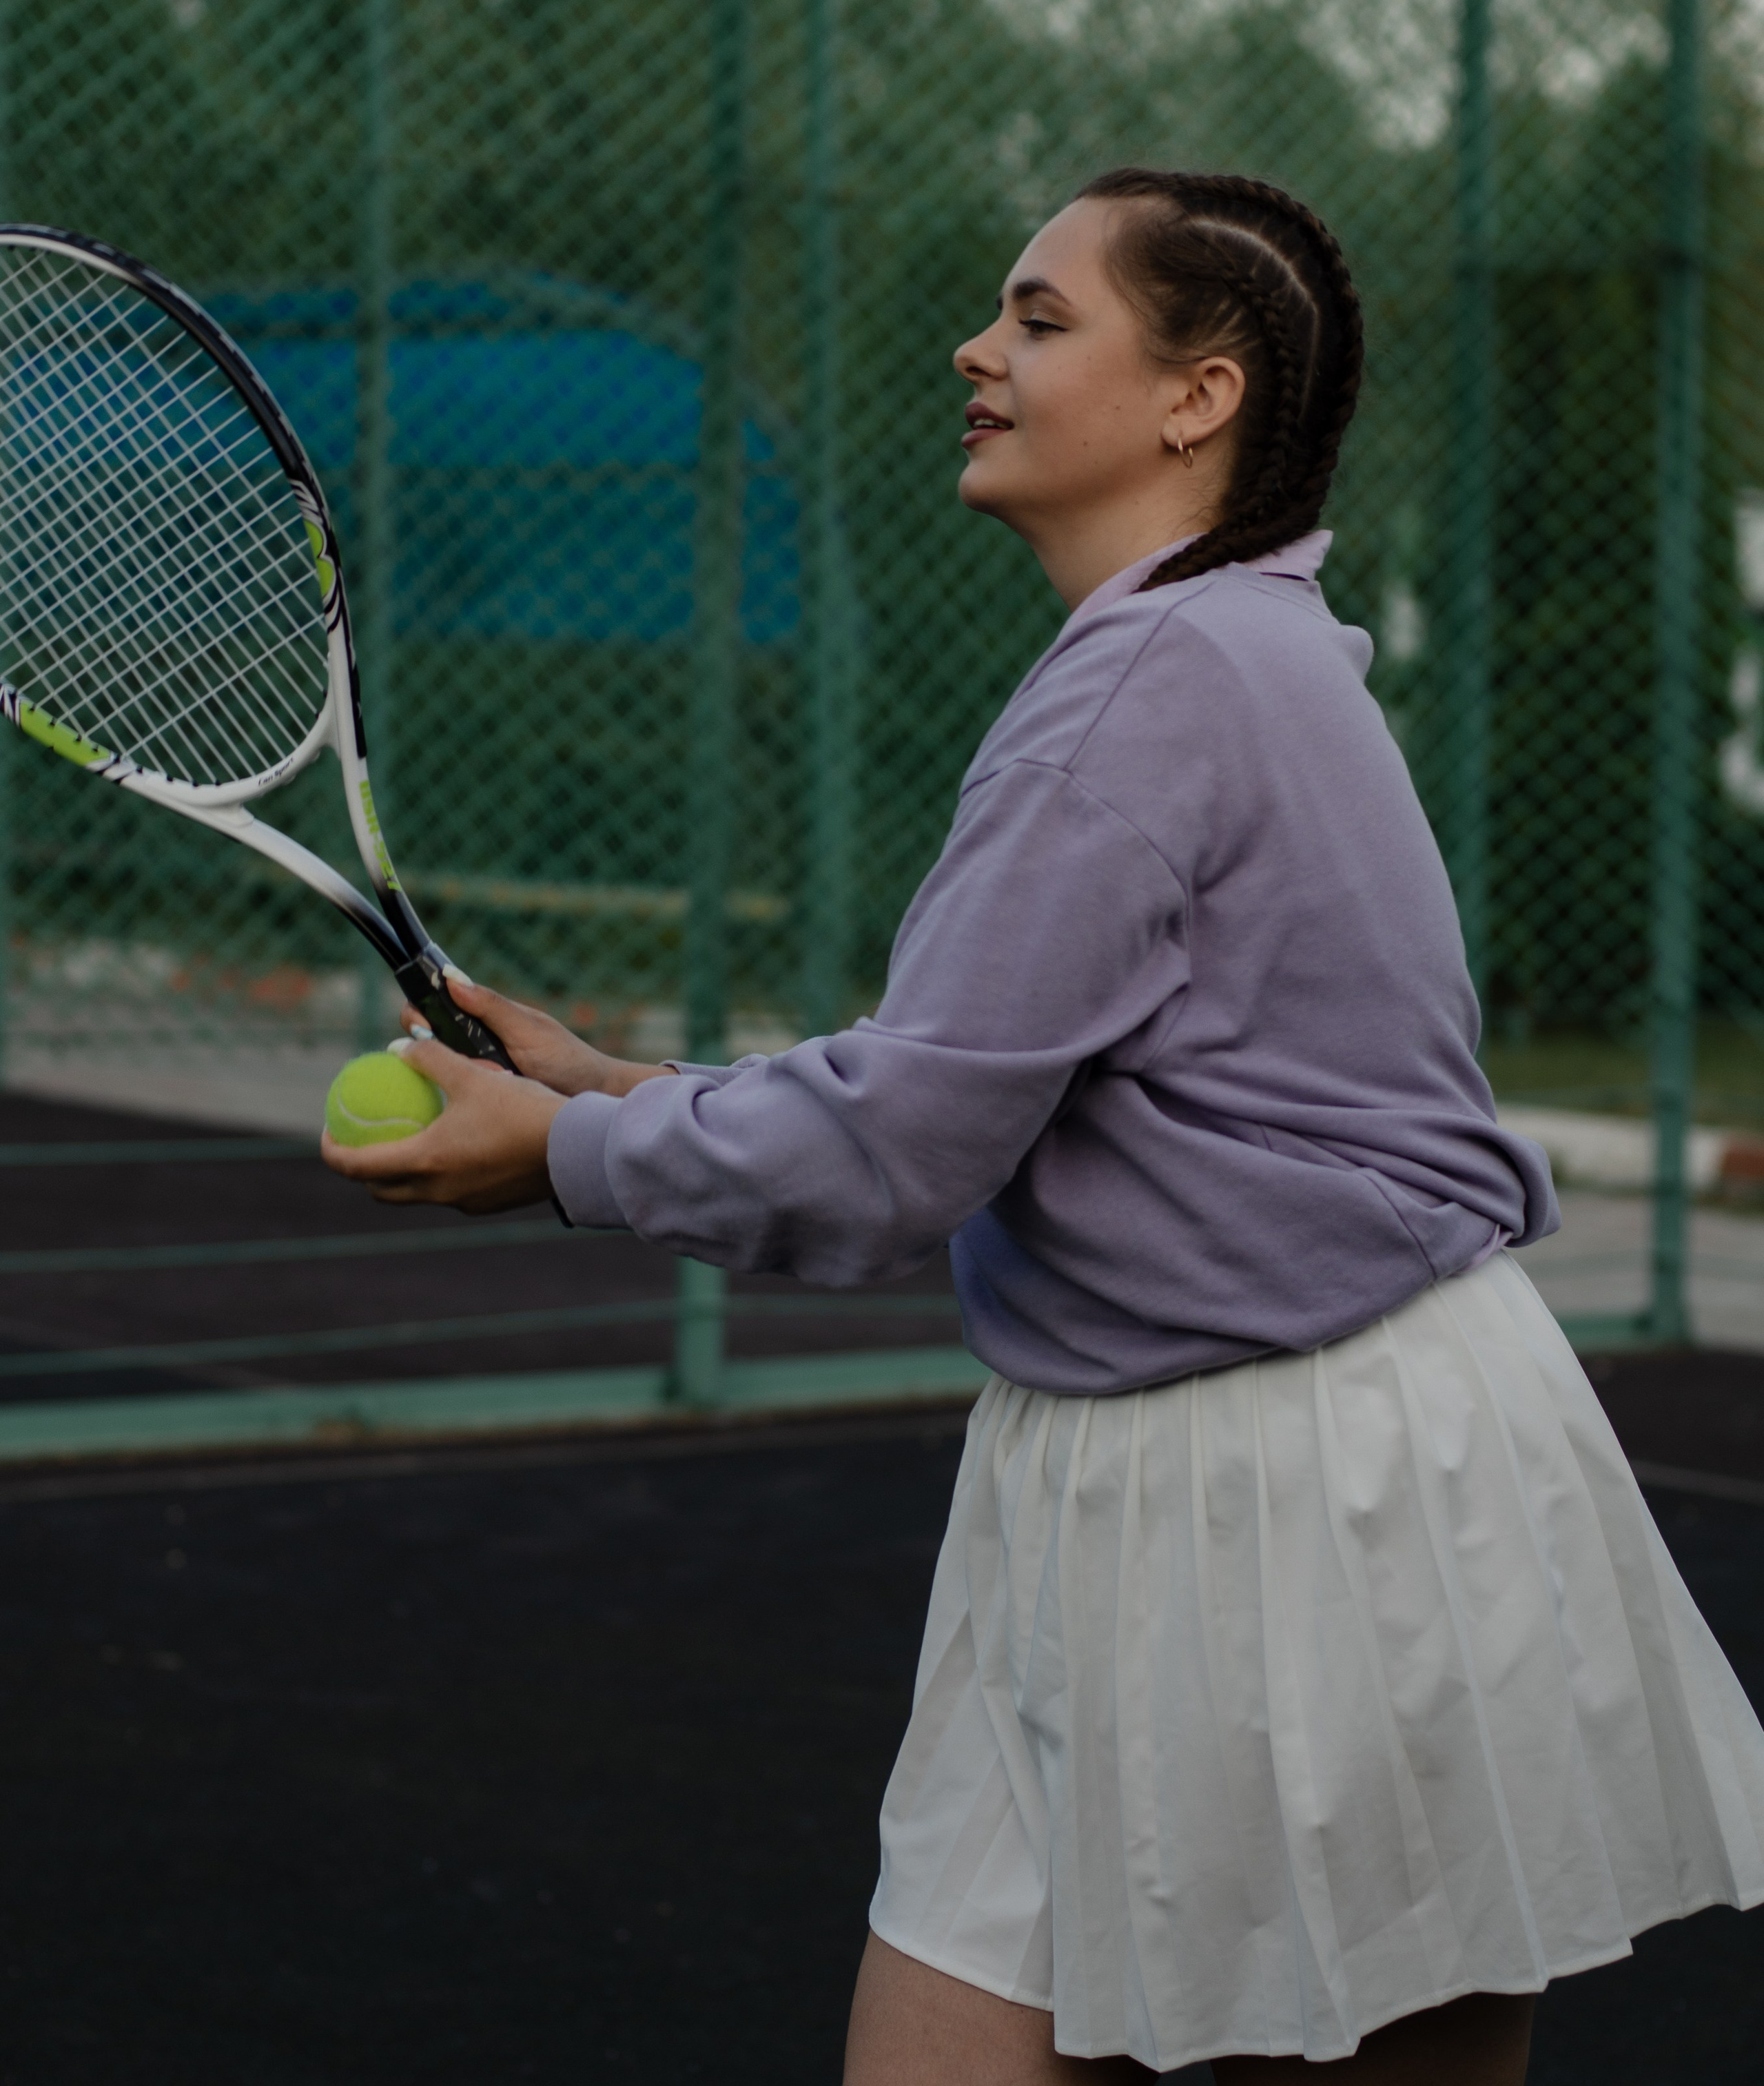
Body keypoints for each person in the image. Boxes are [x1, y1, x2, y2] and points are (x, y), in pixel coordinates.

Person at [323, 170, 1764, 2082]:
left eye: (1040, 316)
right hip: (1192, 1465)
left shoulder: (1156, 683)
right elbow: (983, 1073)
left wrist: (559, 1157)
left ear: (1198, 397)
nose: (975, 349)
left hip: (1319, 1486)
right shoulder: (1234, 642)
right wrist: (614, 1088)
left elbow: (904, 1145)